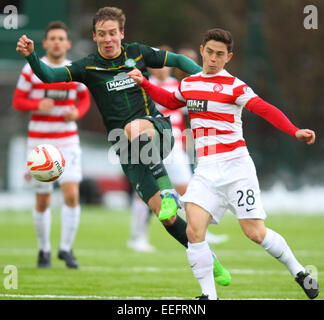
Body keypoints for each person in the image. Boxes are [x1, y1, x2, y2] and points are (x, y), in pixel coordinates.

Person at [16, 7, 231, 287]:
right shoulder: (87, 67)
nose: (108, 39)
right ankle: (209, 260)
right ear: (94, 36)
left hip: (156, 129)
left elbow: (177, 59)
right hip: (127, 149)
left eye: (113, 33)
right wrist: (32, 55)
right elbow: (48, 75)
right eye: (102, 34)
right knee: (166, 220)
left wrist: (205, 79)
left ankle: (169, 192)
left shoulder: (138, 53)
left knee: (133, 129)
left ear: (122, 34)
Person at [128, 28, 319, 300]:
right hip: (206, 170)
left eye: (220, 54)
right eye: (209, 52)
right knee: (194, 230)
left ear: (228, 57)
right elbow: (171, 100)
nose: (213, 58)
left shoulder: (235, 86)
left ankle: (299, 271)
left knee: (255, 233)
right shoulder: (190, 83)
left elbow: (264, 108)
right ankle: (209, 296)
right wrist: (144, 84)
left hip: (237, 168)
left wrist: (294, 130)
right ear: (202, 50)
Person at [128, 45, 228, 252]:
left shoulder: (180, 85)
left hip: (175, 148)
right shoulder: (142, 86)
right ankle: (137, 237)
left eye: (166, 65)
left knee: (190, 192)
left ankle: (200, 231)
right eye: (159, 66)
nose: (163, 69)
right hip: (151, 147)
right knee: (144, 194)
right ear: (153, 67)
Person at [13, 21, 91, 269]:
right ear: (45, 43)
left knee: (71, 195)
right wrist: (36, 105)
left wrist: (77, 113)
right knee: (43, 201)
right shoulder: (30, 70)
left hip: (68, 141)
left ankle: (66, 249)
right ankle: (44, 250)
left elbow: (85, 99)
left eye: (61, 38)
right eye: (53, 38)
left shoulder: (74, 70)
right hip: (40, 143)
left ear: (67, 44)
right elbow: (17, 101)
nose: (57, 42)